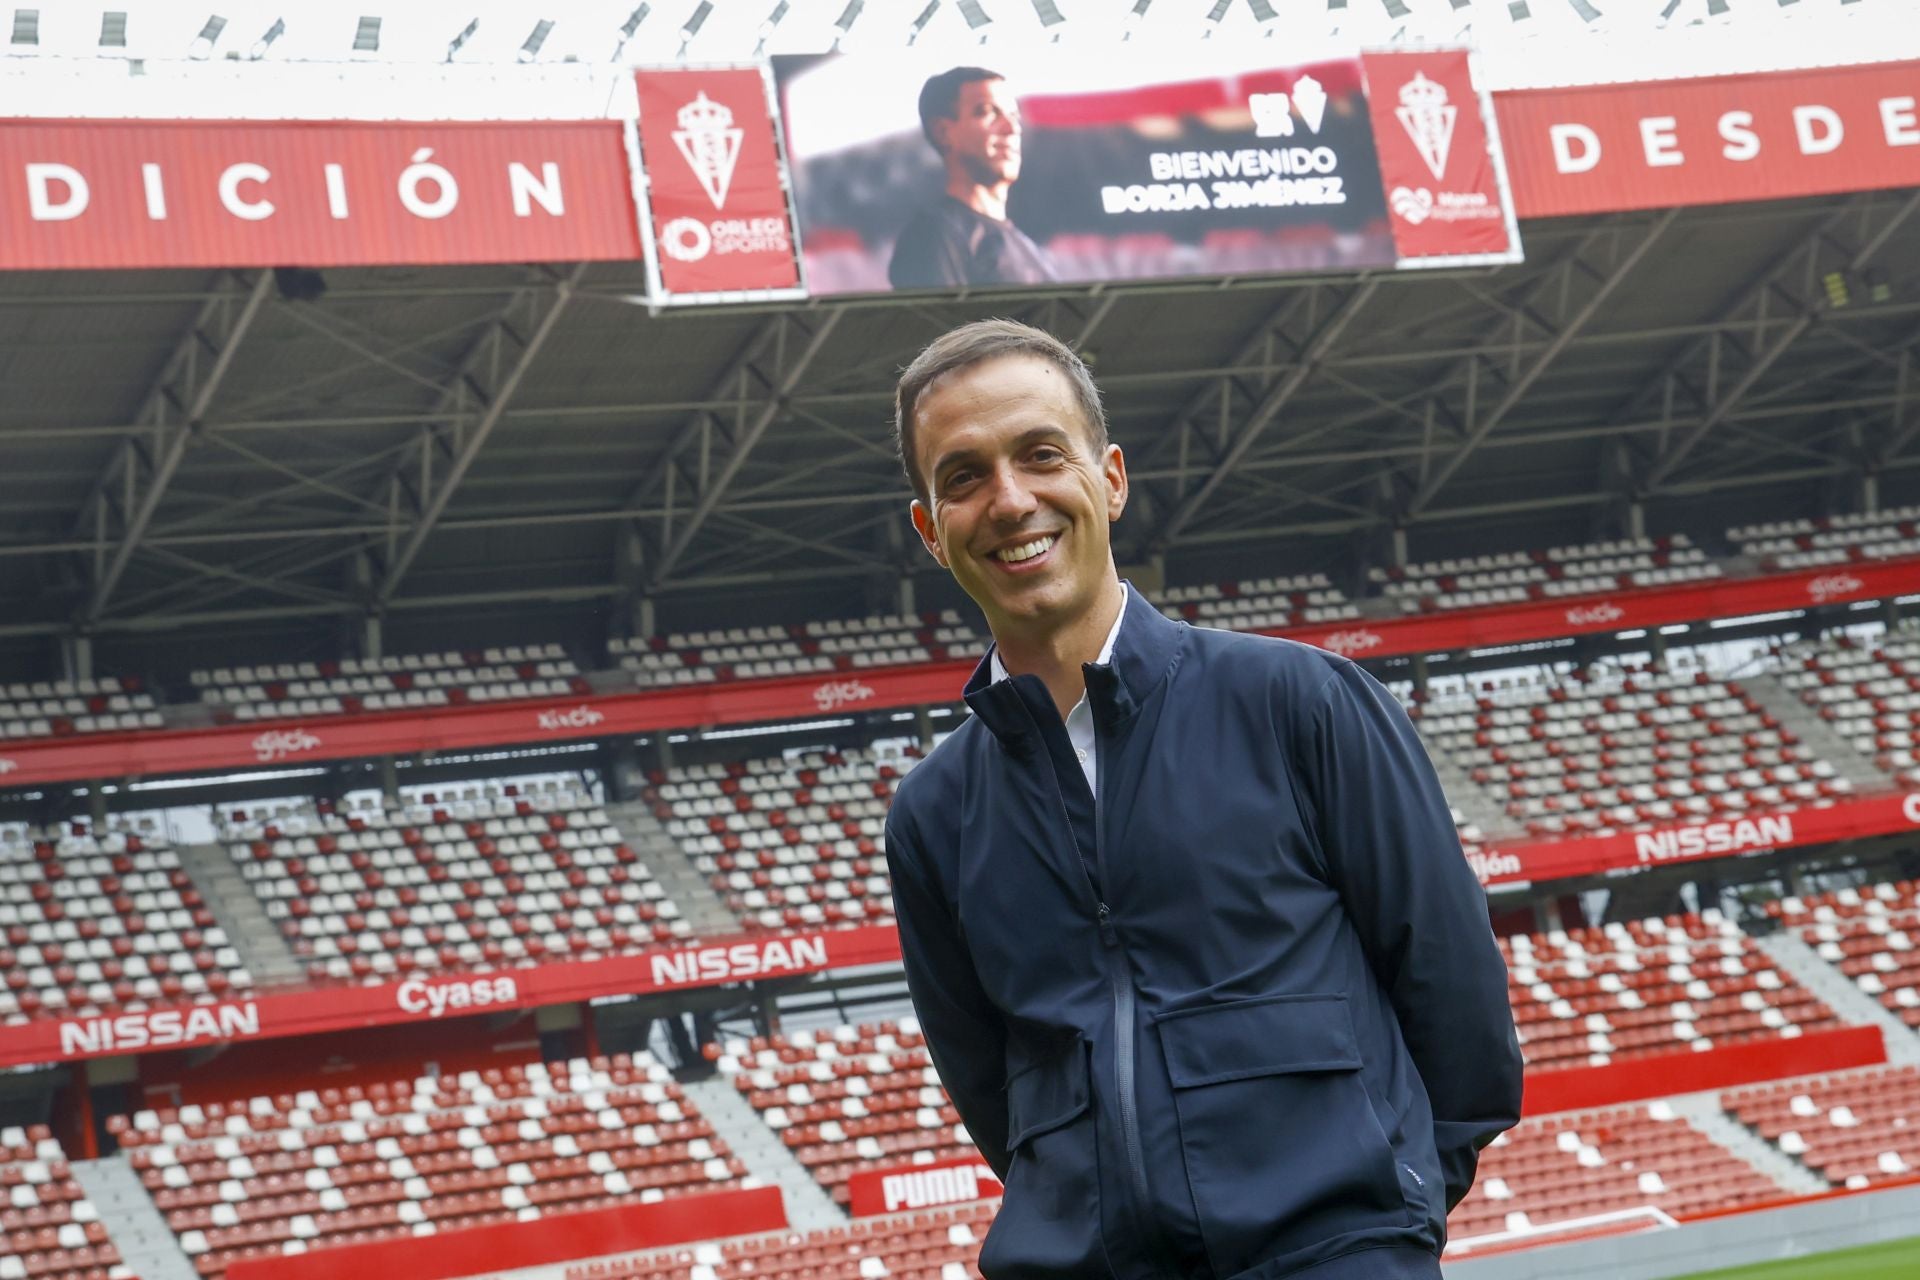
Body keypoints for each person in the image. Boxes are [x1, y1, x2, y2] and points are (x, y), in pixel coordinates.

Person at [883, 318, 1523, 1280]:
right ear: (933, 531)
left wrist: (1388, 1211)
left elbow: (1451, 986)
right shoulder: (933, 814)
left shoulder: (1299, 701)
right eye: (964, 477)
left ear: (1111, 479)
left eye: (1040, 455)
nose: (1010, 501)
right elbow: (991, 1090)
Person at [887, 67, 1058, 290]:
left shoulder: (1027, 247)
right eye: (988, 112)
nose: (1012, 128)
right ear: (943, 132)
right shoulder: (934, 236)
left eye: (1014, 116)